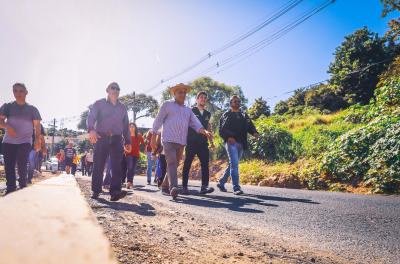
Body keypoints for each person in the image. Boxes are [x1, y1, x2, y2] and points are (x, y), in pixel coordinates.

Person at [150, 83, 212, 200]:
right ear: (174, 93)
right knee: (172, 163)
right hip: (168, 140)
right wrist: (153, 137)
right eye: (180, 92)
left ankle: (164, 185)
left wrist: (205, 131)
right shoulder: (167, 105)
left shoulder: (188, 110)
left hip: (181, 142)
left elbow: (196, 123)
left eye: (184, 92)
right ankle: (174, 187)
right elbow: (158, 121)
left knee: (174, 164)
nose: (183, 94)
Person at [87, 82, 131, 201]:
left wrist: (128, 141)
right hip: (102, 137)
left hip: (117, 138)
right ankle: (96, 191)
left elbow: (126, 125)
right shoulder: (99, 104)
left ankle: (115, 192)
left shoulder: (122, 107)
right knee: (99, 165)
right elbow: (91, 117)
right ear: (107, 90)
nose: (115, 90)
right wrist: (91, 130)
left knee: (117, 165)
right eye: (113, 88)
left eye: (118, 88)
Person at [0, 83, 41, 194]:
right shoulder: (7, 106)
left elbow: (37, 126)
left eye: (21, 91)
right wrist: (7, 126)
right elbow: (0, 121)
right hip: (9, 141)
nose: (18, 93)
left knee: (22, 165)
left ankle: (23, 186)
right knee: (9, 166)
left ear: (26, 92)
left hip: (25, 141)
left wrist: (37, 140)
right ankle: (11, 189)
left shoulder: (32, 109)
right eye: (15, 91)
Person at [217, 95, 259, 195]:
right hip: (231, 142)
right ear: (231, 103)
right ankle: (236, 187)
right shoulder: (226, 114)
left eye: (239, 101)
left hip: (241, 143)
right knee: (234, 164)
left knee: (233, 164)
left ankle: (222, 182)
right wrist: (228, 137)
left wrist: (255, 133)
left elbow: (250, 125)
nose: (237, 103)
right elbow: (221, 129)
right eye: (235, 101)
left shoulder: (244, 115)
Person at [182, 91, 215, 195]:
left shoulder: (208, 114)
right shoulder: (191, 111)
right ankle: (184, 187)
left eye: (205, 98)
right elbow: (184, 126)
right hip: (191, 142)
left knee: (205, 164)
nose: (203, 99)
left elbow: (208, 128)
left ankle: (204, 187)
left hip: (203, 143)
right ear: (197, 99)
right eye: (201, 97)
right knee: (187, 164)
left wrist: (212, 142)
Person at [125, 122, 145, 188]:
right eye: (130, 126)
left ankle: (131, 182)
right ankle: (128, 182)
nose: (131, 128)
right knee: (130, 167)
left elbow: (143, 143)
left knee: (133, 169)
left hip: (136, 154)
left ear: (135, 128)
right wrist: (125, 149)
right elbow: (123, 144)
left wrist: (144, 149)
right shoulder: (126, 136)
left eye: (133, 126)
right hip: (128, 153)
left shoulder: (138, 135)